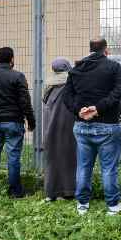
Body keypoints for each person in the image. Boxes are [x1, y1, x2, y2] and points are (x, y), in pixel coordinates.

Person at [65, 37, 121, 216]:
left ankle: (82, 204)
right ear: (105, 49)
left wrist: (79, 111)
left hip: (82, 125)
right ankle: (113, 206)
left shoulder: (76, 68)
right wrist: (98, 108)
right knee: (109, 168)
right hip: (108, 125)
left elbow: (66, 97)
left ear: (90, 48)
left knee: (84, 166)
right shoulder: (113, 66)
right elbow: (120, 90)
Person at [0, 47, 35, 197]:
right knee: (13, 156)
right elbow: (25, 102)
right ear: (12, 59)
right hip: (14, 121)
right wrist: (31, 121)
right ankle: (15, 191)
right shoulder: (18, 76)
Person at [42, 57, 77, 201]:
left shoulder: (49, 86)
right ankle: (68, 191)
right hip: (68, 128)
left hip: (50, 129)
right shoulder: (72, 84)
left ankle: (51, 192)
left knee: (52, 160)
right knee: (69, 159)